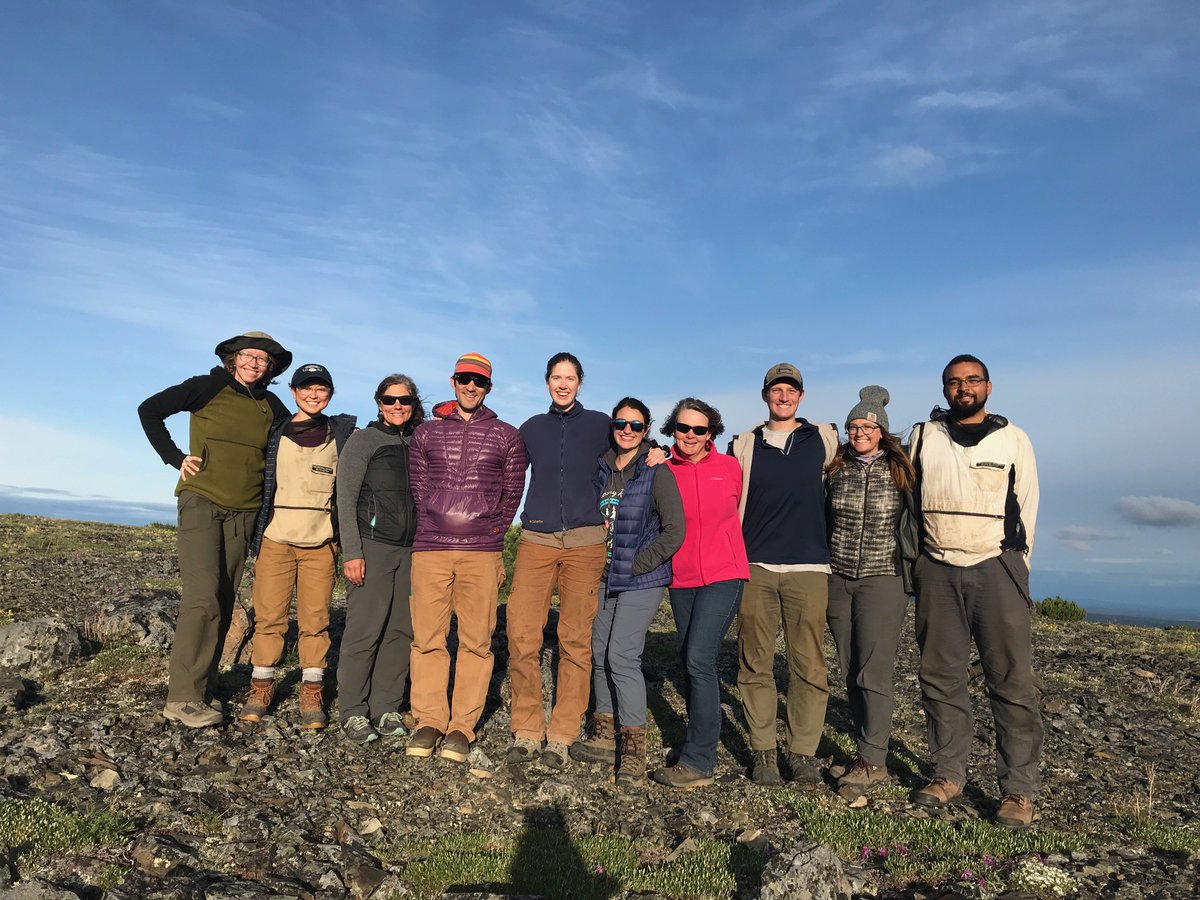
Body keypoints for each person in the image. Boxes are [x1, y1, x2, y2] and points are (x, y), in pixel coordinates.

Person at [908, 354, 1041, 829]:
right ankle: (947, 775)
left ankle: (1018, 790)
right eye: (954, 382)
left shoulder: (1013, 438)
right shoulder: (924, 436)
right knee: (940, 676)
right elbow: (911, 496)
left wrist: (1017, 567)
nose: (963, 388)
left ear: (988, 385)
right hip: (937, 567)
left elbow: (1027, 503)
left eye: (972, 380)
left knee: (1011, 680)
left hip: (995, 566)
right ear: (944, 388)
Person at [138, 331, 291, 728]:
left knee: (223, 599)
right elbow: (149, 410)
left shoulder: (272, 405)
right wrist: (175, 458)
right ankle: (182, 698)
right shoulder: (206, 388)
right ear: (233, 358)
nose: (254, 363)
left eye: (262, 359)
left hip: (246, 511)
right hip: (202, 501)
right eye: (248, 356)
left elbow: (296, 442)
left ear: (270, 368)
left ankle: (203, 688)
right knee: (202, 597)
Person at [405, 353, 527, 763]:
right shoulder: (426, 433)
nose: (471, 386)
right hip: (431, 548)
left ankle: (461, 726)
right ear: (453, 381)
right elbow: (419, 488)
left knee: (476, 641)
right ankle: (429, 719)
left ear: (489, 387)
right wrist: (432, 526)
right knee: (427, 638)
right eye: (464, 379)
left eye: (479, 381)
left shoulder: (508, 436)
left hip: (481, 552)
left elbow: (512, 492)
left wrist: (492, 533)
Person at [728, 363, 838, 786]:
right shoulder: (744, 443)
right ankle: (764, 750)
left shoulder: (823, 439)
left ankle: (802, 752)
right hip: (755, 564)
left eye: (791, 390)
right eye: (777, 389)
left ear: (801, 396)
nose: (784, 396)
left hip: (809, 566)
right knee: (754, 660)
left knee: (808, 663)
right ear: (765, 395)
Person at [569, 398, 685, 787]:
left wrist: (637, 564)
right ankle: (604, 733)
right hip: (602, 576)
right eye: (621, 423)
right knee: (600, 651)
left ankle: (634, 748)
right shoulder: (601, 468)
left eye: (636, 425)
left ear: (646, 429)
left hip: (641, 578)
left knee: (622, 655)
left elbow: (674, 531)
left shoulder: (655, 471)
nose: (627, 431)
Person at [505, 353, 611, 770]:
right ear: (547, 382)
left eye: (570, 378)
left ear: (580, 383)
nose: (563, 384)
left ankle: (563, 734)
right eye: (556, 377)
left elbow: (630, 455)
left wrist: (655, 454)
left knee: (575, 639)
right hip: (537, 538)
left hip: (586, 541)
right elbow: (509, 474)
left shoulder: (601, 424)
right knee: (521, 635)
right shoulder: (531, 428)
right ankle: (527, 729)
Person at [240, 364, 357, 729]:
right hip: (275, 540)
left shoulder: (342, 435)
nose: (313, 394)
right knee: (269, 618)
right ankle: (261, 688)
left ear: (330, 395)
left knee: (316, 621)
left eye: (321, 389)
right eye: (306, 388)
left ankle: (312, 691)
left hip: (320, 544)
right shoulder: (274, 431)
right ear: (293, 392)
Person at [650, 398, 749, 789]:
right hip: (682, 578)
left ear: (712, 433)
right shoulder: (661, 468)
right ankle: (698, 743)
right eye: (683, 428)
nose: (690, 435)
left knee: (698, 658)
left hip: (725, 574)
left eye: (699, 429)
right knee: (689, 661)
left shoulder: (731, 467)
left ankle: (698, 761)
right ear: (672, 429)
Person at [824, 385, 916, 796]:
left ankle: (873, 759)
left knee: (873, 670)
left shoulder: (901, 469)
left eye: (867, 426)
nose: (859, 432)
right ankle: (864, 748)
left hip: (884, 578)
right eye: (853, 426)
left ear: (882, 432)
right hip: (838, 577)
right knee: (849, 667)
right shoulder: (836, 467)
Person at [333, 374, 426, 744]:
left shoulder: (420, 442)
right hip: (373, 546)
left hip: (412, 549)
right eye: (390, 400)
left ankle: (386, 707)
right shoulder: (364, 441)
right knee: (364, 630)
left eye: (404, 400)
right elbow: (344, 499)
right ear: (379, 403)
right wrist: (352, 553)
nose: (397, 406)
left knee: (400, 631)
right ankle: (353, 711)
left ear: (414, 404)